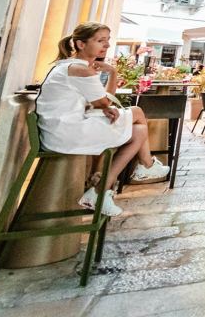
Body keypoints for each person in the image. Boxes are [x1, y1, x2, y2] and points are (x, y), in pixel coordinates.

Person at [38, 22, 170, 217]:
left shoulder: (71, 66)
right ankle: (146, 165)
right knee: (137, 113)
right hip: (63, 134)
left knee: (139, 131)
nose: (107, 45)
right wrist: (113, 72)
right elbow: (106, 101)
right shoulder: (80, 69)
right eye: (101, 41)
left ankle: (102, 191)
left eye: (107, 40)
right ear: (81, 44)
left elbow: (96, 103)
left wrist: (101, 106)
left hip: (60, 129)